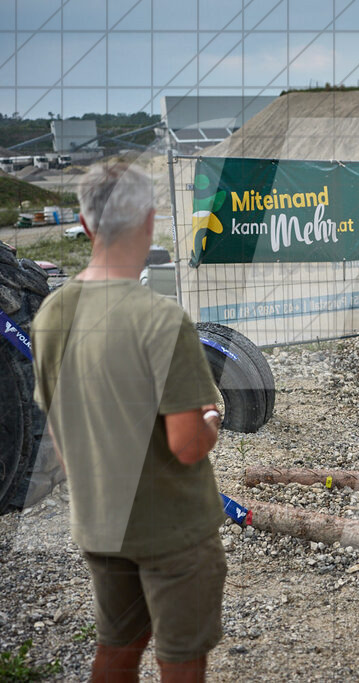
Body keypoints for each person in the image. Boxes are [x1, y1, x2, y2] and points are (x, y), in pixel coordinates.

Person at [31, 163, 227, 680]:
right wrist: (210, 418)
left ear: (86, 223)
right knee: (179, 656)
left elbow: (58, 428)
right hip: (173, 531)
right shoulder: (161, 320)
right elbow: (187, 445)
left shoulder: (52, 312)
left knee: (117, 646)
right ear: (148, 220)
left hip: (100, 522)